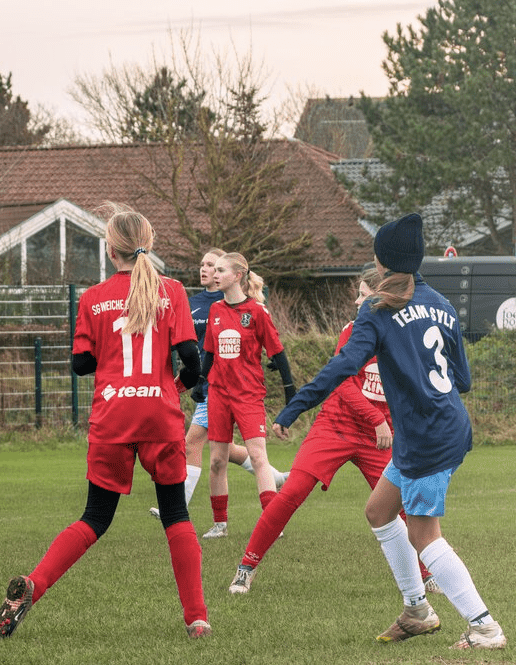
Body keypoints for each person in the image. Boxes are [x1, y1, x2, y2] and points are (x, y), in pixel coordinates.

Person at [274, 214, 505, 649]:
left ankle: (484, 627)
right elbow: (465, 380)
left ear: (381, 262)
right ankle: (417, 610)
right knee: (379, 511)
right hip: (448, 425)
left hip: (426, 437)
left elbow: (344, 365)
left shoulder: (377, 310)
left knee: (423, 536)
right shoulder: (441, 302)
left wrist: (295, 406)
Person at [0, 205, 210, 640]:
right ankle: (197, 618)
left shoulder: (92, 297)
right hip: (160, 414)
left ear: (110, 250)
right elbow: (192, 359)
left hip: (112, 415)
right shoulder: (172, 291)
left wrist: (110, 359)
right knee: (175, 514)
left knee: (94, 517)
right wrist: (175, 387)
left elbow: (79, 364)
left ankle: (34, 584)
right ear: (149, 244)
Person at [228, 265, 436, 595]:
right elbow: (342, 385)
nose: (357, 302)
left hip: (378, 439)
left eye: (364, 296)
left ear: (384, 297)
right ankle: (246, 567)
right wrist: (376, 418)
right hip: (337, 427)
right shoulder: (354, 331)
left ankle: (428, 574)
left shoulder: (410, 334)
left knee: (406, 506)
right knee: (293, 491)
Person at [151, 249, 288, 520]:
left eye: (213, 266)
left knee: (196, 445)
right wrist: (192, 377)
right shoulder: (198, 304)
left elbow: (264, 340)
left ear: (234, 275)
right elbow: (190, 344)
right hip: (211, 386)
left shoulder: (245, 306)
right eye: (203, 265)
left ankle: (177, 507)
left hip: (236, 388)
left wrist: (285, 380)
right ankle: (273, 478)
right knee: (218, 454)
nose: (207, 270)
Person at [199, 251, 296, 539]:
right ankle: (220, 524)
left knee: (257, 455)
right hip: (218, 394)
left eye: (220, 270)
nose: (215, 275)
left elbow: (277, 352)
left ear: (238, 275)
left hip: (248, 395)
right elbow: (208, 352)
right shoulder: (215, 310)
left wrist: (290, 389)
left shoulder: (256, 311)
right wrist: (200, 382)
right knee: (217, 460)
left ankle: (271, 522)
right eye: (213, 270)